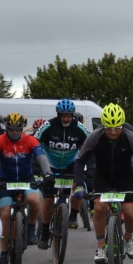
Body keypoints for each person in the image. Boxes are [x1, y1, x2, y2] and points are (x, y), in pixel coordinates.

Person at [73, 103, 133, 264]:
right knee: (99, 208)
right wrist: (80, 184)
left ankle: (129, 237)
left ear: (122, 126)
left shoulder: (130, 138)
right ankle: (101, 245)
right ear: (103, 126)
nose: (113, 132)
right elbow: (80, 162)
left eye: (117, 128)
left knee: (130, 213)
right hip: (102, 177)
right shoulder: (94, 137)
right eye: (108, 128)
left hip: (125, 178)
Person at [0, 113, 53, 264]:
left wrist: (48, 173)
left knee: (35, 200)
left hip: (26, 179)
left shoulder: (30, 140)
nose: (15, 133)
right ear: (7, 128)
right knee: (4, 213)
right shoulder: (0, 140)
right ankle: (3, 252)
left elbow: (40, 157)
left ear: (22, 129)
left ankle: (31, 227)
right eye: (11, 129)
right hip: (5, 180)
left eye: (18, 130)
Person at [35, 99, 91, 247]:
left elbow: (90, 148)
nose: (66, 119)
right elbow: (35, 145)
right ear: (58, 115)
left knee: (78, 187)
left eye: (69, 116)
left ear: (73, 115)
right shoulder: (48, 126)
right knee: (47, 200)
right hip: (50, 165)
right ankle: (45, 232)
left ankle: (72, 215)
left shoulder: (80, 128)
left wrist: (89, 167)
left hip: (71, 164)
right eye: (63, 115)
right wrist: (37, 166)